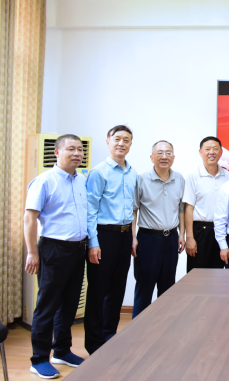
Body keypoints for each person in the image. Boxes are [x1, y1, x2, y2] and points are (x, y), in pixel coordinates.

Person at [24, 134, 87, 379]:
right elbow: (29, 219)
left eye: (80, 149)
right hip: (53, 249)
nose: (77, 153)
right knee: (47, 305)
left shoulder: (81, 180)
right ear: (57, 152)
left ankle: (62, 350)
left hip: (78, 249)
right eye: (71, 149)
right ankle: (39, 359)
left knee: (69, 303)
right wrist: (32, 252)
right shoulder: (44, 181)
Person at [84, 125, 137, 354]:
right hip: (103, 236)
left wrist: (133, 237)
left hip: (124, 237)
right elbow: (90, 210)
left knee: (117, 289)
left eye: (126, 140)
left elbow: (132, 209)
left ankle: (109, 336)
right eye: (117, 139)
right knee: (98, 290)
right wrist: (93, 243)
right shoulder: (98, 172)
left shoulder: (132, 173)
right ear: (108, 142)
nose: (121, 143)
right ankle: (94, 343)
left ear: (131, 144)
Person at [132, 140, 185, 318]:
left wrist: (182, 234)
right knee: (144, 286)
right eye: (160, 153)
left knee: (168, 287)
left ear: (173, 157)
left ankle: (164, 329)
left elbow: (181, 209)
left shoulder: (179, 179)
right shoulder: (141, 179)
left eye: (168, 153)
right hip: (148, 239)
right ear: (151, 157)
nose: (164, 156)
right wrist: (133, 237)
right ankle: (138, 330)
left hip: (171, 239)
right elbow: (133, 210)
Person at [184, 136, 229, 272]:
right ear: (200, 152)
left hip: (221, 230)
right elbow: (189, 208)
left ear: (221, 152)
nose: (212, 152)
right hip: (200, 231)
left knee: (218, 273)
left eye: (215, 149)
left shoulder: (227, 175)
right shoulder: (193, 175)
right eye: (208, 149)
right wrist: (190, 237)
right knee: (197, 274)